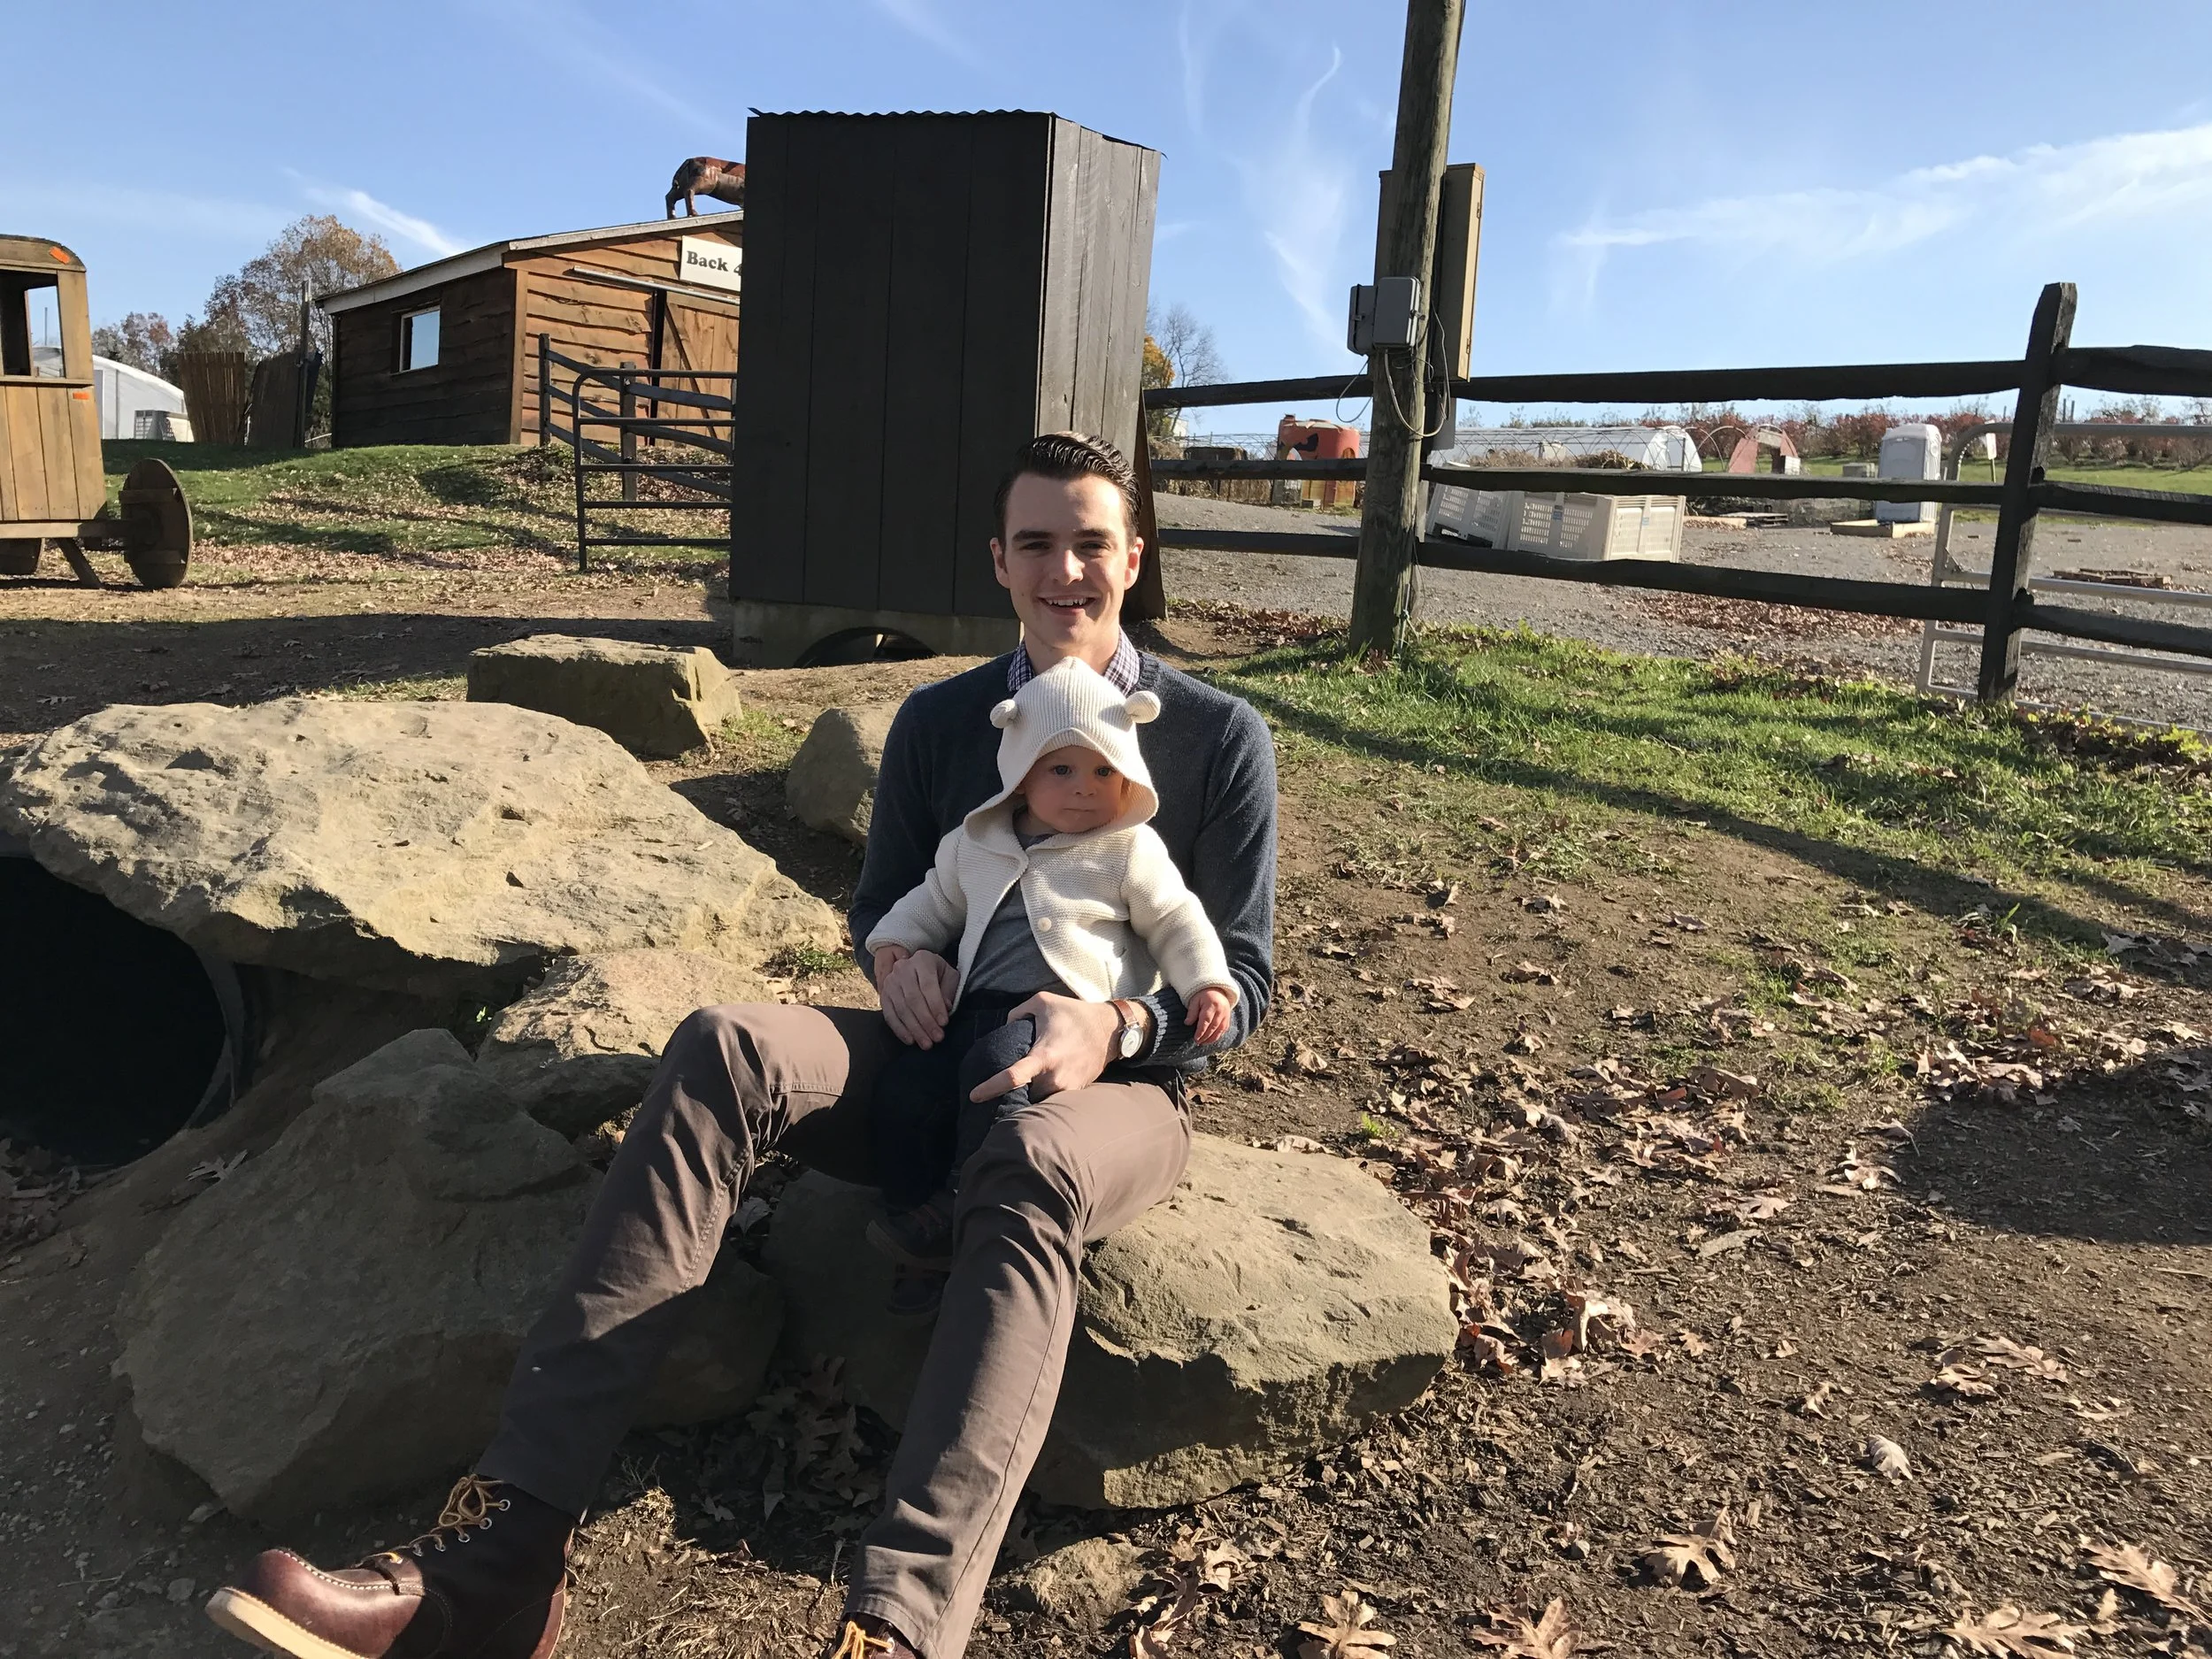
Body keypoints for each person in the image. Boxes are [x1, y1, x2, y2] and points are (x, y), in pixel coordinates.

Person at [204, 431, 1279, 1659]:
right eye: (1036, 542)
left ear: (1133, 557)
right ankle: (504, 1552)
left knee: (1035, 1158)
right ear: (998, 560)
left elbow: (1242, 979)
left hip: (1120, 1093)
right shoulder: (940, 721)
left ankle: (899, 1627)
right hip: (936, 1061)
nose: (1064, 570)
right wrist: (900, 962)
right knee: (726, 1042)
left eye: (1091, 542)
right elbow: (883, 905)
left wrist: (1120, 1023)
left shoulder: (1217, 736)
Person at [864, 655, 1238, 1317]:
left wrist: (1207, 983)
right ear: (1020, 773)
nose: (1084, 788)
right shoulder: (973, 843)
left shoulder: (1128, 848)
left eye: (1103, 771)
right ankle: (913, 1220)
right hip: (969, 1012)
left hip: (1060, 1025)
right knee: (906, 1091)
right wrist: (894, 945)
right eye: (1061, 769)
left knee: (996, 1074)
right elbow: (931, 901)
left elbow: (1177, 919)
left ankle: (966, 1200)